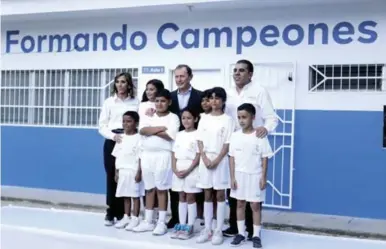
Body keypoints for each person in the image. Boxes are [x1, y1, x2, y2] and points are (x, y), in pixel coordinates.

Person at [223, 59, 278, 239]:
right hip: (234, 144)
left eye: (241, 70)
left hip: (253, 145)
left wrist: (265, 129)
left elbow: (272, 118)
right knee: (234, 189)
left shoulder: (259, 91)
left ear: (250, 74)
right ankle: (236, 228)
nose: (237, 73)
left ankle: (253, 231)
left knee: (253, 197)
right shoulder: (228, 93)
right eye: (235, 70)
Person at [133, 89, 180, 235]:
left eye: (163, 101)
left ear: (169, 102)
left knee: (161, 189)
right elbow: (142, 130)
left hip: (163, 156)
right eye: (157, 101)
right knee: (149, 189)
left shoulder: (173, 118)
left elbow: (170, 136)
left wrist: (151, 130)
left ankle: (161, 222)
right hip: (147, 156)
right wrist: (160, 128)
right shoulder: (149, 114)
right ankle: (148, 221)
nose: (159, 104)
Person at [228, 103, 273, 248]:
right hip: (239, 176)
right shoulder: (234, 136)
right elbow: (232, 158)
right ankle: (241, 233)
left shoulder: (259, 136)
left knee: (255, 205)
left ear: (253, 118)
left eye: (244, 117)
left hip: (255, 175)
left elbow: (265, 158)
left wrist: (263, 177)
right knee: (240, 204)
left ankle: (256, 234)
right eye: (239, 117)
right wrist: (232, 178)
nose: (241, 120)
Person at [98, 72, 139, 226]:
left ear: (129, 84)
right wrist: (113, 137)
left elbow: (139, 121)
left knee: (127, 175)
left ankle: (125, 213)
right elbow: (102, 125)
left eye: (123, 82)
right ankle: (111, 210)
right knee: (111, 175)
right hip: (113, 139)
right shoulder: (109, 102)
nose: (120, 85)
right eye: (117, 82)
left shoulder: (136, 102)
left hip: (130, 140)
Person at [196, 87, 235, 245]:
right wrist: (204, 158)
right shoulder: (204, 118)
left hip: (221, 160)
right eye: (211, 98)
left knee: (219, 195)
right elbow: (199, 140)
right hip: (205, 160)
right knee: (207, 194)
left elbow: (227, 143)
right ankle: (207, 229)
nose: (214, 101)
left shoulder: (228, 120)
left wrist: (217, 160)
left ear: (223, 101)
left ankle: (218, 230)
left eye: (217, 98)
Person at [169, 64, 203, 229]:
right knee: (177, 192)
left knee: (192, 193)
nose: (179, 80)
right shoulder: (169, 96)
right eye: (176, 77)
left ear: (190, 77)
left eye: (182, 76)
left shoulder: (200, 96)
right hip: (176, 141)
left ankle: (193, 222)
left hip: (193, 145)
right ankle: (177, 220)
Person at [170, 108, 201, 240]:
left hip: (191, 169)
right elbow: (173, 153)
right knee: (181, 196)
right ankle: (182, 225)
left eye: (189, 118)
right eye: (183, 118)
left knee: (190, 197)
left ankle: (190, 225)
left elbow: (199, 154)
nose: (186, 121)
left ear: (195, 119)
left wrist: (189, 170)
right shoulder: (179, 134)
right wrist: (174, 169)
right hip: (179, 168)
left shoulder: (198, 134)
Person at [112, 111, 144, 230]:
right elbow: (117, 155)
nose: (126, 124)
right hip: (122, 171)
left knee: (135, 196)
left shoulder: (139, 138)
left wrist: (139, 172)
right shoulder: (121, 138)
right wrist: (116, 172)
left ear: (136, 123)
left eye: (129, 121)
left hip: (133, 171)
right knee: (125, 195)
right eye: (124, 121)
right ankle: (126, 216)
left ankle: (135, 218)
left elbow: (140, 156)